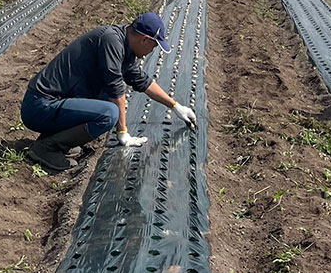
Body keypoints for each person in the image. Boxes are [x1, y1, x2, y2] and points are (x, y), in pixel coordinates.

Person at [21, 12, 198, 170]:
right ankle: (46, 147)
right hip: (39, 105)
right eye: (154, 46)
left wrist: (175, 107)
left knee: (106, 101)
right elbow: (116, 90)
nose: (152, 51)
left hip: (53, 104)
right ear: (145, 39)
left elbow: (143, 82)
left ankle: (56, 139)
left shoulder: (125, 47)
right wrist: (123, 133)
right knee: (109, 112)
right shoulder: (111, 41)